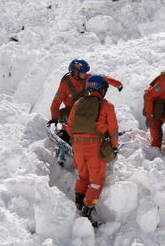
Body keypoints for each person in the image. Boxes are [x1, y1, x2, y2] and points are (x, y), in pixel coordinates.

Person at [65, 75, 119, 226]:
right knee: (96, 181)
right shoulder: (107, 106)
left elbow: (69, 127)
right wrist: (114, 146)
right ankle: (87, 210)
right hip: (94, 147)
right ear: (101, 89)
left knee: (83, 176)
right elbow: (113, 130)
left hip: (77, 146)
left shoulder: (78, 103)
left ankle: (78, 203)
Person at [49, 58, 122, 125]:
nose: (85, 74)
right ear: (75, 72)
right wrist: (54, 119)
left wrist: (117, 84)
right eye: (82, 72)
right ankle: (65, 132)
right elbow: (55, 104)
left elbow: (102, 78)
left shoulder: (87, 77)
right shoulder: (65, 85)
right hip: (70, 112)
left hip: (85, 108)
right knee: (66, 115)